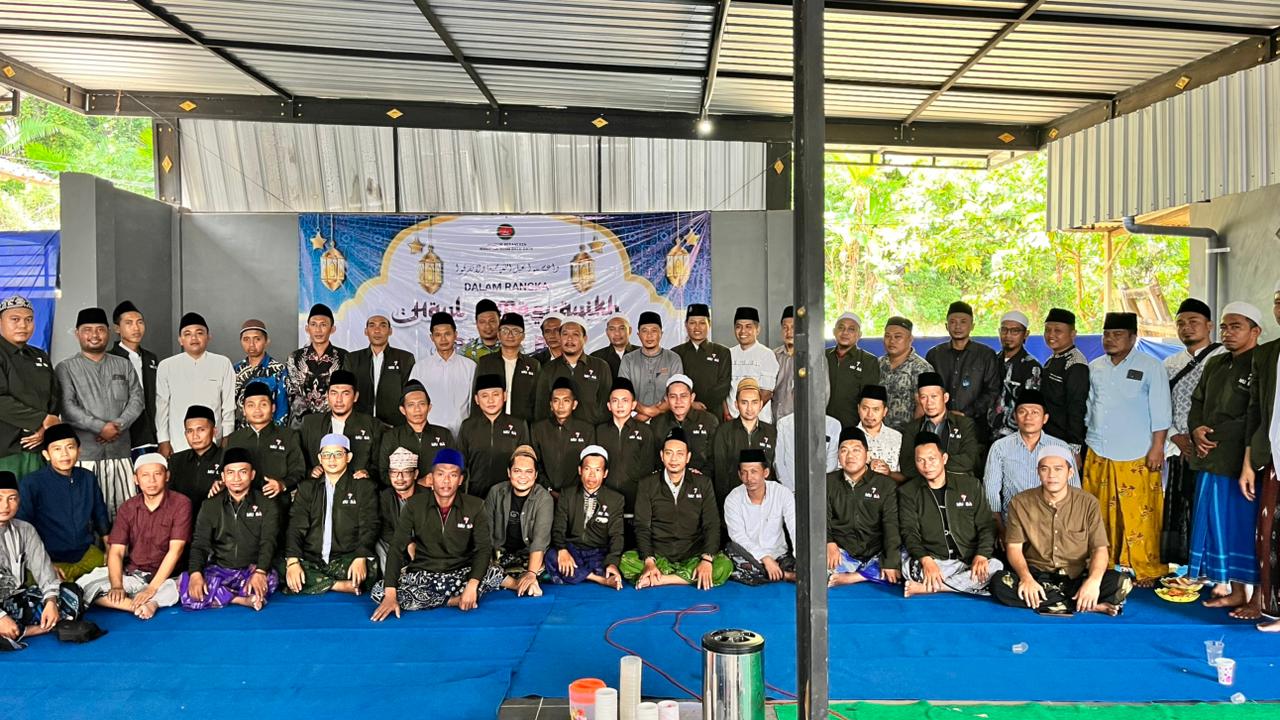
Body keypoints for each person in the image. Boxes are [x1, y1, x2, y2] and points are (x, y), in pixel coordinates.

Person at [990, 445, 1133, 616]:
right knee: (999, 583)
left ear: (1070, 473)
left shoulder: (1088, 503)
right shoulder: (1021, 502)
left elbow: (1100, 549)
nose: (1052, 475)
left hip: (1076, 578)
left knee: (1122, 581)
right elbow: (1014, 548)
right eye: (1045, 469)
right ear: (1038, 472)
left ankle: (1057, 601)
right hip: (1037, 577)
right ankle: (1087, 605)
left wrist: (1093, 582)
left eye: (1058, 469)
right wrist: (1026, 578)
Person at [1083, 311, 1171, 586]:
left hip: (1138, 452)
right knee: (1100, 513)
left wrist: (1158, 447)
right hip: (1098, 449)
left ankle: (1146, 568)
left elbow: (1161, 411)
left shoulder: (1151, 366)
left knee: (1140, 514)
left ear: (1133, 337)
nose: (1110, 339)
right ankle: (1104, 563)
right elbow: (1089, 407)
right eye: (1106, 334)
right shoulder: (1095, 366)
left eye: (1117, 334)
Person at [1186, 302, 1262, 616]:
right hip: (1210, 459)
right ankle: (1236, 591)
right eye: (1224, 327)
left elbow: (1257, 414)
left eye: (1236, 327)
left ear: (1255, 331)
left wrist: (1212, 434)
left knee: (1248, 528)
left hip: (1243, 463)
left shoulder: (1263, 362)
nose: (1228, 333)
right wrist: (1196, 430)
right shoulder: (1216, 363)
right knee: (1221, 527)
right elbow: (1197, 401)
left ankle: (1259, 599)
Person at [369, 448, 505, 617]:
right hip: (425, 574)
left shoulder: (475, 506)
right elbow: (396, 547)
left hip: (461, 571)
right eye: (440, 474)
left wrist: (472, 585)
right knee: (379, 591)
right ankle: (450, 600)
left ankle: (450, 595)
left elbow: (483, 549)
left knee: (493, 571)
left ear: (460, 479)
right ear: (431, 478)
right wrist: (390, 595)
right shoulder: (414, 505)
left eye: (453, 475)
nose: (446, 480)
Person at [78, 453, 191, 620]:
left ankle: (152, 602)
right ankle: (136, 606)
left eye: (157, 474)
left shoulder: (181, 503)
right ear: (136, 479)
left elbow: (176, 550)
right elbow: (116, 551)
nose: (151, 480)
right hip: (135, 574)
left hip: (167, 576)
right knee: (82, 586)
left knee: (180, 585)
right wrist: (117, 586)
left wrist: (151, 589)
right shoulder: (128, 507)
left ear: (167, 476)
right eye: (145, 475)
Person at [56, 307, 145, 519]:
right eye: (87, 330)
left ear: (109, 332)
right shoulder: (66, 368)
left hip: (120, 453)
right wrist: (100, 427)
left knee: (125, 513)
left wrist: (116, 426)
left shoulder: (123, 364)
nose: (94, 335)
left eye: (100, 329)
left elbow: (137, 400)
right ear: (77, 333)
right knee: (87, 514)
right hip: (85, 456)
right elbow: (67, 407)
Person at [623, 428, 731, 589]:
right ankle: (682, 576)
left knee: (724, 565)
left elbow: (712, 524)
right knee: (626, 561)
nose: (674, 459)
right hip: (659, 555)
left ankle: (661, 579)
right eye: (669, 453)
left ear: (688, 457)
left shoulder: (703, 483)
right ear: (662, 455)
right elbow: (642, 527)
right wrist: (649, 561)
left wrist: (706, 560)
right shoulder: (648, 484)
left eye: (680, 454)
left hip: (693, 554)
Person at [898, 432, 1001, 598]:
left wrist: (982, 555)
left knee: (995, 567)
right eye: (920, 460)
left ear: (944, 458)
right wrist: (926, 560)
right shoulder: (908, 492)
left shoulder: (970, 485)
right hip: (934, 560)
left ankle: (934, 587)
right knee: (908, 567)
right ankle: (964, 585)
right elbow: (909, 532)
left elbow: (986, 525)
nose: (927, 465)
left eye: (932, 459)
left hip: (967, 560)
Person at [1162, 298, 1225, 567]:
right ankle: (1186, 566)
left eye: (1193, 322)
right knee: (1180, 504)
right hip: (1179, 446)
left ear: (1209, 325)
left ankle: (1212, 568)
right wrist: (1175, 436)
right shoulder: (1169, 363)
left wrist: (1202, 438)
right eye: (1180, 323)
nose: (1186, 327)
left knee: (1210, 508)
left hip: (1212, 448)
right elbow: (1161, 405)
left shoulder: (1223, 357)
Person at [179, 447, 279, 611]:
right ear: (223, 477)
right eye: (230, 473)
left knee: (269, 580)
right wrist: (195, 574)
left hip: (251, 569)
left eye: (243, 472)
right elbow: (200, 544)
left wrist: (260, 572)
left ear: (252, 474)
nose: (236, 478)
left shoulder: (267, 504)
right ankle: (240, 599)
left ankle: (225, 594)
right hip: (220, 570)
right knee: (186, 583)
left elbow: (268, 542)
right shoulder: (210, 506)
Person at [0, 471, 92, 651]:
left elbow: (44, 570)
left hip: (13, 599)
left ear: (19, 501)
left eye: (12, 498)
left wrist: (51, 601)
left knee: (71, 595)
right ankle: (32, 629)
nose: (5, 505)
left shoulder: (25, 530)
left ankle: (17, 631)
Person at [284, 433, 379, 595]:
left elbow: (370, 525)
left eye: (338, 454)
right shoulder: (307, 488)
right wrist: (292, 561)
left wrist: (361, 556)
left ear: (348, 457)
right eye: (327, 455)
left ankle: (317, 582)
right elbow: (296, 526)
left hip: (346, 558)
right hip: (312, 558)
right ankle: (338, 585)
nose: (332, 459)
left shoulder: (363, 487)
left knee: (372, 567)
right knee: (280, 564)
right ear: (319, 458)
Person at [17, 424, 110, 582]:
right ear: (46, 454)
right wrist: (43, 564)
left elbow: (100, 513)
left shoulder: (88, 478)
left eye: (70, 447)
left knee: (115, 577)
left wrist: (109, 547)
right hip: (48, 558)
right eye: (57, 449)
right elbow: (22, 527)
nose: (64, 454)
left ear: (79, 451)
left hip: (84, 554)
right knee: (55, 592)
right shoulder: (31, 483)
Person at [983, 389, 1074, 536]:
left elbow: (1075, 493)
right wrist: (1001, 531)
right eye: (1022, 412)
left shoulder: (1061, 448)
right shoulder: (1000, 448)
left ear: (1045, 418)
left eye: (1035, 412)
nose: (1028, 417)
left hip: (1054, 528)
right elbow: (991, 493)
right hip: (1014, 527)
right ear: (1015, 416)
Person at [826, 427, 900, 587]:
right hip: (842, 551)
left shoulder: (885, 484)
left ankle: (856, 576)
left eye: (856, 450)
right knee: (813, 565)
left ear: (867, 454)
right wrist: (828, 542)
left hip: (876, 552)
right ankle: (868, 573)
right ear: (838, 456)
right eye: (844, 450)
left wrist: (891, 561)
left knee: (903, 558)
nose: (850, 455)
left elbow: (891, 525)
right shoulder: (828, 482)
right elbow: (820, 518)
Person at [1246, 280, 1280, 631]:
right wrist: (1249, 461)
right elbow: (1256, 410)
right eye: (1278, 302)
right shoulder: (1267, 354)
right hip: (1274, 457)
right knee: (1269, 533)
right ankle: (1274, 608)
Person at [155, 312, 235, 456]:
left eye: (199, 333)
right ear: (180, 340)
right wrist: (163, 440)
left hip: (214, 442)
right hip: (178, 442)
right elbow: (162, 407)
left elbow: (228, 406)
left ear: (208, 337)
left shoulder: (222, 363)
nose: (194, 338)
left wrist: (227, 436)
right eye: (187, 334)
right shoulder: (166, 366)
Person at [547, 446, 625, 589]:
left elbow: (617, 535)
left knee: (611, 566)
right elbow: (558, 528)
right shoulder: (567, 495)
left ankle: (579, 574)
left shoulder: (615, 499)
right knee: (552, 556)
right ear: (580, 470)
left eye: (597, 470)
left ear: (605, 473)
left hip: (598, 552)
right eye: (587, 469)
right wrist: (562, 550)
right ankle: (598, 579)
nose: (592, 475)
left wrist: (612, 562)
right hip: (573, 549)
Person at [0, 294, 61, 478]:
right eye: (15, 319)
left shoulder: (39, 355)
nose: (23, 325)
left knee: (38, 495)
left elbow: (54, 397)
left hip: (39, 448)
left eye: (29, 320)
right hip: (6, 451)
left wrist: (45, 428)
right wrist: (41, 419)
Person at [484, 444, 553, 596]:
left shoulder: (544, 498)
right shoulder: (496, 492)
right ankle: (517, 584)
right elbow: (485, 534)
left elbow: (540, 541)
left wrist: (531, 573)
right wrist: (486, 564)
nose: (523, 476)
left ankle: (519, 579)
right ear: (509, 472)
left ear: (535, 475)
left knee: (554, 563)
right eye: (517, 471)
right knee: (474, 566)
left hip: (529, 556)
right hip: (500, 556)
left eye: (529, 471)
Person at [223, 382, 305, 506]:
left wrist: (282, 484)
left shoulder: (289, 436)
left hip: (279, 505)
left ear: (273, 408)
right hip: (241, 508)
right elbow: (223, 471)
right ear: (243, 410)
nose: (257, 410)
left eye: (263, 404)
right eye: (251, 405)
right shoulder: (234, 439)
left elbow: (299, 471)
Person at [725, 448, 796, 585]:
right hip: (750, 556)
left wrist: (801, 559)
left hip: (779, 555)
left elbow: (795, 527)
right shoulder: (733, 499)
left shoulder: (782, 493)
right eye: (744, 473)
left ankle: (771, 573)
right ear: (739, 475)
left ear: (766, 472)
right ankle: (785, 575)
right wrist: (764, 558)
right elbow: (738, 536)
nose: (749, 478)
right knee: (733, 553)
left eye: (754, 472)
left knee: (808, 566)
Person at [299, 369, 382, 483]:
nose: (339, 399)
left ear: (355, 396)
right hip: (319, 488)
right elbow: (297, 464)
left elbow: (381, 467)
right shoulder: (310, 423)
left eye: (345, 393)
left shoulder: (372, 425)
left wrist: (368, 474)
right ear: (327, 396)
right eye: (334, 393)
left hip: (358, 489)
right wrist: (310, 471)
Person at [459, 374, 530, 499]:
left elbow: (526, 462)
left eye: (496, 394)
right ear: (476, 399)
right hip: (475, 495)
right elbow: (460, 465)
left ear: (505, 396)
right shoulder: (468, 426)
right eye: (484, 396)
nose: (490, 400)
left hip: (510, 495)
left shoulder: (519, 425)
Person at [897, 372, 980, 481]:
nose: (929, 402)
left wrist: (928, 465)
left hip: (957, 484)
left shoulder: (964, 424)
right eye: (924, 397)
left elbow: (969, 460)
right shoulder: (912, 429)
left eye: (934, 396)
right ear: (919, 400)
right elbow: (907, 467)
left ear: (945, 398)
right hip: (922, 486)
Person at [533, 317, 612, 426]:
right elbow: (541, 409)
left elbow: (606, 405)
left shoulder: (600, 366)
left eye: (575, 334)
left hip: (592, 432)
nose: (569, 339)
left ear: (585, 339)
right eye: (565, 334)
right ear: (559, 338)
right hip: (557, 433)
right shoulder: (548, 369)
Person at [594, 377, 656, 511]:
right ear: (609, 406)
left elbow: (648, 467)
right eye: (615, 401)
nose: (620, 405)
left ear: (633, 405)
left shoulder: (645, 431)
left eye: (625, 400)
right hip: (605, 498)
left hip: (637, 497)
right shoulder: (599, 431)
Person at [410, 312, 475, 436]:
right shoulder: (420, 368)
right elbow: (413, 404)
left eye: (447, 334)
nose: (443, 339)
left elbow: (475, 405)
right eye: (438, 335)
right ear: (431, 337)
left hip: (462, 435)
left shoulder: (470, 367)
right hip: (428, 435)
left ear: (455, 335)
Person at [712, 378, 777, 503]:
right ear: (736, 405)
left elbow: (773, 469)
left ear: (761, 404)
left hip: (765, 501)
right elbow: (720, 473)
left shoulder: (771, 432)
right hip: (733, 500)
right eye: (744, 403)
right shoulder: (724, 431)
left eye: (754, 402)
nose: (749, 408)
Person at [376, 380, 453, 485]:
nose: (417, 409)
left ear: (429, 407)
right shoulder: (391, 436)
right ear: (403, 410)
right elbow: (383, 475)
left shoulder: (444, 435)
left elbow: (456, 469)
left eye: (422, 404)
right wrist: (418, 483)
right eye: (411, 405)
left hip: (436, 492)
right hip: (403, 494)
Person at [108, 300, 159, 456]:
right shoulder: (109, 359)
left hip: (151, 433)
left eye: (140, 322)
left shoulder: (151, 358)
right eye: (129, 323)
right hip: (123, 435)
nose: (136, 328)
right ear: (117, 328)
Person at [286, 303, 349, 427]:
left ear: (332, 329)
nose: (318, 330)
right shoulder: (295, 357)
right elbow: (293, 393)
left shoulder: (345, 357)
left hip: (334, 423)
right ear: (307, 328)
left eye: (323, 325)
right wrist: (309, 419)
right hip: (301, 424)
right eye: (313, 324)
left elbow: (346, 392)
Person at [347, 314, 415, 428]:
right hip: (359, 425)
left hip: (394, 426)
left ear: (390, 331)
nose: (377, 330)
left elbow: (409, 394)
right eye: (372, 325)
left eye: (382, 326)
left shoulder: (405, 358)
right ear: (366, 331)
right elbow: (347, 392)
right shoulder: (352, 359)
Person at [531, 377, 594, 494]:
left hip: (576, 494)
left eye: (566, 401)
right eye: (556, 401)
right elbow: (535, 464)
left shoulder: (587, 430)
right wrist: (548, 489)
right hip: (544, 492)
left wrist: (572, 492)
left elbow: (589, 464)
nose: (560, 406)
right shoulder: (538, 429)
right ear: (551, 404)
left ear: (574, 404)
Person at [474, 312, 540, 422]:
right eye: (505, 330)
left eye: (515, 331)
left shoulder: (533, 365)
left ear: (523, 336)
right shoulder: (486, 362)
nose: (510, 335)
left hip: (524, 425)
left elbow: (538, 401)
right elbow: (476, 397)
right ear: (498, 335)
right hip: (491, 424)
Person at [166, 406, 224, 529]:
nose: (195, 436)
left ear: (214, 431)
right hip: (183, 527)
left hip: (218, 527)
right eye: (189, 431)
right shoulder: (176, 460)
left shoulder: (226, 458)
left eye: (201, 430)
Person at [649, 374, 718, 478]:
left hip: (701, 481)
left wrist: (701, 476)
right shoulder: (657, 423)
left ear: (692, 397)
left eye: (683, 396)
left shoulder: (709, 421)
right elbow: (653, 460)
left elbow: (715, 458)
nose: (678, 401)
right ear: (666, 399)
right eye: (673, 396)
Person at [1040, 308, 1089, 454]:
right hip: (1047, 436)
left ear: (1073, 334)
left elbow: (1077, 407)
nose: (1051, 335)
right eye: (1047, 330)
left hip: (1064, 441)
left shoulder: (1075, 364)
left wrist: (1074, 447)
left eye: (1058, 331)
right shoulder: (1053, 358)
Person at [619, 311, 683, 421]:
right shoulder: (628, 359)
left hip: (667, 419)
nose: (649, 335)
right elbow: (623, 392)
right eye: (644, 331)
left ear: (661, 333)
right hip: (635, 418)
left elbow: (677, 393)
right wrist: (643, 410)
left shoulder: (673, 358)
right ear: (638, 334)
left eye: (654, 330)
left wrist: (654, 412)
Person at [671, 304, 732, 417]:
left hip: (714, 413)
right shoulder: (675, 353)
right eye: (692, 323)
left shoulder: (722, 352)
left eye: (702, 323)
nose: (697, 327)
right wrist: (690, 403)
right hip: (683, 413)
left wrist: (704, 405)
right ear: (686, 325)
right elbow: (673, 384)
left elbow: (724, 385)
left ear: (709, 324)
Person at [991, 311, 1042, 440]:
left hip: (1015, 436)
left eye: (1015, 331)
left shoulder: (1031, 366)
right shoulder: (991, 361)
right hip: (986, 433)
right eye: (1004, 330)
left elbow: (1031, 407)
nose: (1008, 335)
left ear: (1026, 334)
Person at [826, 312, 880, 430]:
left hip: (852, 427)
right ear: (834, 331)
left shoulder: (868, 361)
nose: (845, 332)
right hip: (822, 425)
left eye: (851, 329)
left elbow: (869, 400)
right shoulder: (823, 356)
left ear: (859, 335)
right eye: (841, 328)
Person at [232, 318, 290, 429]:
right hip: (240, 432)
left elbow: (282, 409)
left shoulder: (279, 370)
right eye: (246, 339)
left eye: (257, 339)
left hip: (270, 432)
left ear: (267, 341)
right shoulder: (234, 370)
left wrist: (277, 434)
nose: (251, 344)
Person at [878, 316, 934, 431]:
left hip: (907, 434)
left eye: (898, 336)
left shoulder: (922, 368)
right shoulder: (878, 364)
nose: (891, 341)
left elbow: (923, 406)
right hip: (879, 434)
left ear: (910, 339)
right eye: (887, 336)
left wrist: (912, 435)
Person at [728, 306, 778, 423]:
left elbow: (767, 392)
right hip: (731, 421)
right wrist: (727, 413)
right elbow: (724, 388)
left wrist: (748, 415)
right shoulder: (728, 353)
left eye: (748, 326)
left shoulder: (766, 355)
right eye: (738, 327)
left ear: (757, 329)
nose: (743, 331)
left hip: (758, 421)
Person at [772, 408, 841, 491]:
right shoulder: (784, 423)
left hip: (821, 490)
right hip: (790, 488)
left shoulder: (833, 425)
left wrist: (818, 489)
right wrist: (791, 490)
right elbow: (779, 462)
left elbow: (832, 463)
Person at [377, 447, 424, 568]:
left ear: (415, 474)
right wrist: (407, 543)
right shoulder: (385, 496)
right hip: (396, 545)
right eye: (394, 472)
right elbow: (385, 529)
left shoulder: (427, 497)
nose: (399, 478)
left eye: (406, 472)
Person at [855, 385, 902, 478]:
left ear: (885, 411)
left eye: (876, 409)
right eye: (865, 408)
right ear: (858, 408)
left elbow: (906, 477)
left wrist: (889, 473)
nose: (869, 415)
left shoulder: (897, 437)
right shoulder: (849, 436)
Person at [590, 314, 636, 379]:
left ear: (630, 330)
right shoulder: (595, 358)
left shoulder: (643, 354)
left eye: (622, 328)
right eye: (612, 329)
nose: (617, 333)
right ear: (607, 332)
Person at [773, 306, 796, 420]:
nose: (789, 332)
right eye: (785, 327)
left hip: (800, 421)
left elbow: (823, 395)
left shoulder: (812, 359)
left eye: (793, 327)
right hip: (774, 420)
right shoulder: (772, 356)